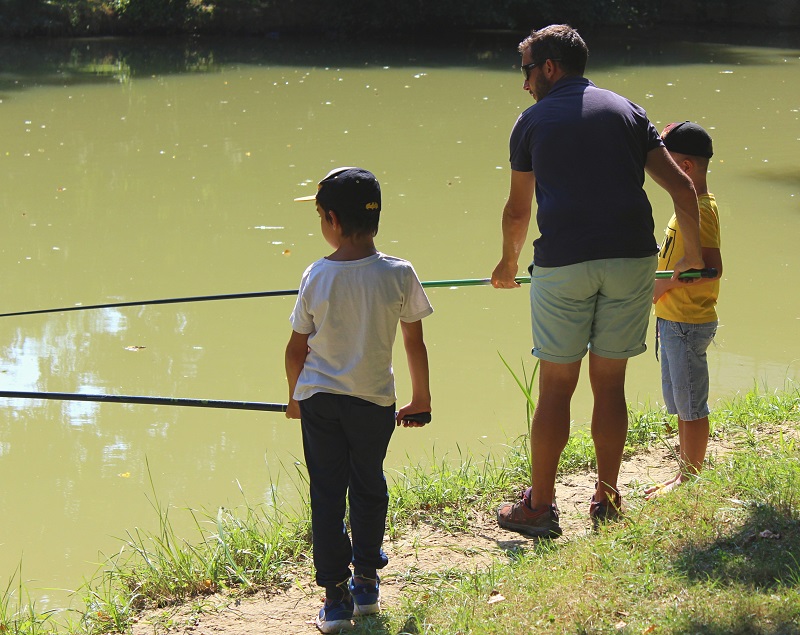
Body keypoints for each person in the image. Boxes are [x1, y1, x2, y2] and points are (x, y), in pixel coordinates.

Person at [491, 24, 705, 537]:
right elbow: (681, 188)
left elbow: (519, 211)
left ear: (548, 67)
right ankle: (607, 500)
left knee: (556, 386)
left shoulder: (532, 121)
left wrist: (505, 264)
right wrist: (690, 255)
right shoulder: (629, 111)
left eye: (526, 71)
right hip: (633, 259)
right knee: (610, 384)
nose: (524, 84)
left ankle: (540, 508)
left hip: (563, 263)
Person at [286, 167, 433, 633]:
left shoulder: (316, 274)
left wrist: (294, 398)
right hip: (374, 403)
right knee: (368, 484)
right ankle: (366, 582)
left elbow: (295, 349)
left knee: (327, 492)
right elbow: (415, 343)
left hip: (321, 401)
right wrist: (421, 399)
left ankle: (335, 599)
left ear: (330, 218)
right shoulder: (399, 273)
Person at [645, 122, 723, 500]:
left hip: (687, 323)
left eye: (667, 162)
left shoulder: (701, 211)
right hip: (672, 321)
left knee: (692, 404)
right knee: (680, 401)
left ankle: (690, 478)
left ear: (686, 168)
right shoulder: (686, 210)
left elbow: (712, 269)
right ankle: (685, 470)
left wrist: (664, 285)